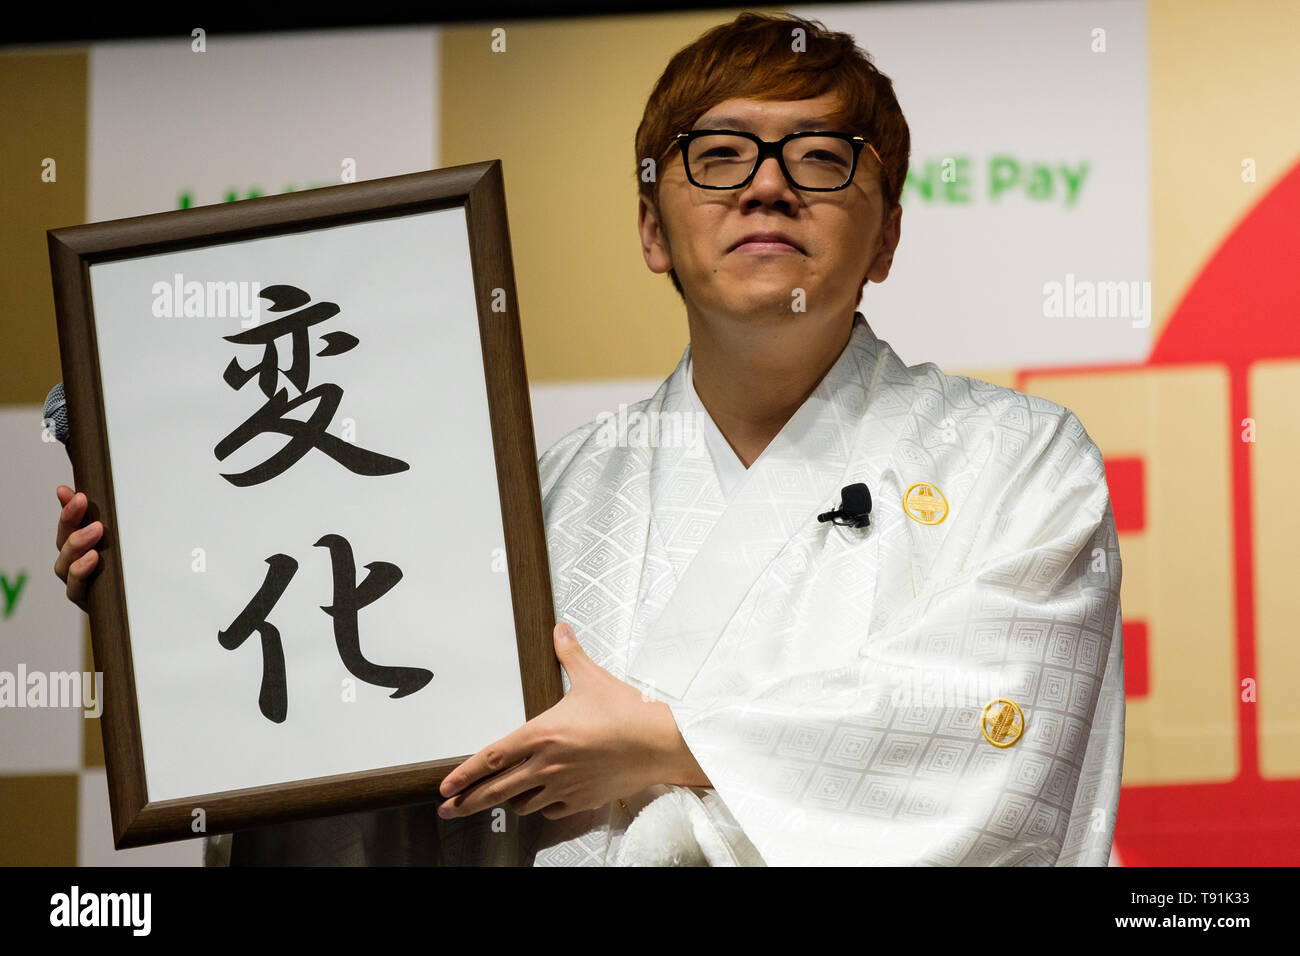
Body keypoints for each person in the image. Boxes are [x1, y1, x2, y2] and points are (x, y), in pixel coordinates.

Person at [54, 11, 1124, 866]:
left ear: (885, 231)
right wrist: (175, 612)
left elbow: (995, 734)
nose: (767, 183)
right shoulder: (534, 502)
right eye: (718, 154)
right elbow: (384, 788)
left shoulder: (1016, 458)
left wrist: (664, 744)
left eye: (820, 156)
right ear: (653, 227)